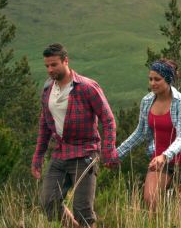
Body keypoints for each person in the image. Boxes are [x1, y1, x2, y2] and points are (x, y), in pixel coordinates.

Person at [31, 43, 118, 228]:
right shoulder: (47, 90)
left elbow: (108, 119)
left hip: (85, 153)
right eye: (46, 65)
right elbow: (44, 127)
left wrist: (108, 151)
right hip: (60, 154)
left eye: (54, 65)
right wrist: (37, 157)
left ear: (66, 61)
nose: (50, 69)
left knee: (83, 211)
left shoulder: (87, 87)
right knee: (49, 202)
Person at [117, 58, 181, 212]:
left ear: (168, 79)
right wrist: (118, 154)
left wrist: (165, 156)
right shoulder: (147, 101)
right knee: (150, 199)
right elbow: (140, 133)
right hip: (159, 159)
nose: (153, 83)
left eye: (157, 79)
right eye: (150, 79)